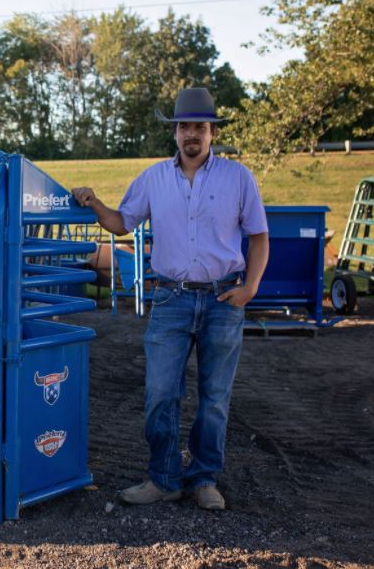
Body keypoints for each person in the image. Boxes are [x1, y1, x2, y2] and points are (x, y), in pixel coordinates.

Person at [71, 87, 269, 511]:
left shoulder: (238, 177)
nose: (191, 134)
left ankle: (203, 478)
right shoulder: (154, 178)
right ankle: (163, 478)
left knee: (215, 397)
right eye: (184, 127)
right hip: (170, 299)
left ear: (212, 131)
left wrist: (251, 287)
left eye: (200, 126)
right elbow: (123, 222)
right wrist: (93, 203)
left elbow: (259, 236)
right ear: (175, 133)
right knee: (161, 392)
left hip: (223, 298)